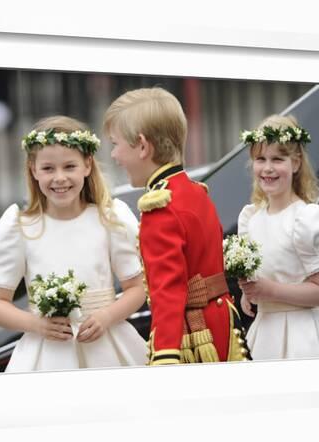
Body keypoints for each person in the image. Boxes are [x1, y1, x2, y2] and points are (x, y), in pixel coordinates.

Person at [0, 115, 148, 372]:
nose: (59, 178)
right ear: (33, 169)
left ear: (87, 165)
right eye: (48, 168)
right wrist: (37, 324)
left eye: (69, 166)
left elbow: (137, 289)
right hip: (46, 355)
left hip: (107, 345)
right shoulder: (21, 228)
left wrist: (107, 316)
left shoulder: (110, 219)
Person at [103, 87, 250, 366]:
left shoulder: (160, 207)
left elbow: (168, 292)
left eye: (115, 144)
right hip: (221, 322)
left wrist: (165, 355)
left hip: (193, 336)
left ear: (143, 146)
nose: (114, 155)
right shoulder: (195, 191)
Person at [237, 114, 319, 360]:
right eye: (261, 159)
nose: (268, 168)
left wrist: (270, 291)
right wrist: (248, 292)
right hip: (265, 332)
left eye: (277, 159)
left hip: (303, 334)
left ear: (296, 163)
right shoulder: (251, 219)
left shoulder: (305, 220)